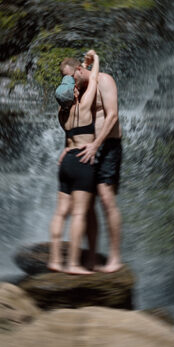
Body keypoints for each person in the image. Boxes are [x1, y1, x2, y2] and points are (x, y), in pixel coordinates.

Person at [47, 50, 100, 274]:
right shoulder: (85, 107)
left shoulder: (62, 113)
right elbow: (94, 79)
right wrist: (94, 61)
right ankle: (73, 264)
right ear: (76, 93)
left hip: (66, 161)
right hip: (82, 160)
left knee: (60, 213)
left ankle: (55, 260)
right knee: (79, 214)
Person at [74, 54, 123, 273]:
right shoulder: (81, 89)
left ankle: (115, 258)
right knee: (87, 204)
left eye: (71, 77)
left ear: (79, 68)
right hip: (86, 148)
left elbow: (112, 116)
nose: (69, 82)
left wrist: (96, 145)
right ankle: (91, 257)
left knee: (106, 199)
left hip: (107, 146)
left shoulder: (104, 80)